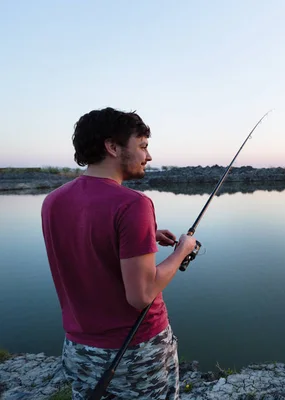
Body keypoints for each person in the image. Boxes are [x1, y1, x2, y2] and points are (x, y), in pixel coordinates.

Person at [41, 107, 199, 399]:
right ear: (112, 147)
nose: (148, 157)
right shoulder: (133, 205)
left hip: (79, 350)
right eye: (142, 146)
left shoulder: (53, 201)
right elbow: (141, 295)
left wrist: (146, 236)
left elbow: (86, 240)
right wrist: (181, 251)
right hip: (135, 351)